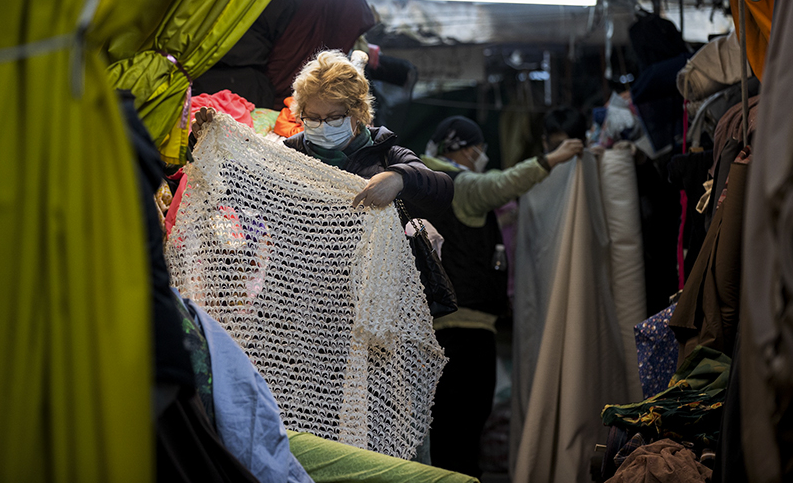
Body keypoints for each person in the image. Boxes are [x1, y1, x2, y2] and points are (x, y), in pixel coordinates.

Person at [420, 113, 584, 477]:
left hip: (439, 330)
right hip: (465, 334)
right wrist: (550, 160)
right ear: (466, 150)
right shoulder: (456, 183)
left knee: (445, 433)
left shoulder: (422, 183)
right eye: (479, 149)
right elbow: (499, 185)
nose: (482, 155)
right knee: (461, 435)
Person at [194, 50, 453, 214]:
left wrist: (400, 178)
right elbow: (237, 190)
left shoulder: (386, 154)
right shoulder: (288, 156)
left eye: (333, 117)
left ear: (357, 113)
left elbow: (442, 190)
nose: (322, 125)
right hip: (293, 287)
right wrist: (204, 144)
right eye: (313, 118)